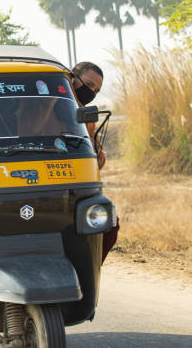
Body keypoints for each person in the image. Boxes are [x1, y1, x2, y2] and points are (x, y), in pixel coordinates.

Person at [71, 61, 118, 263]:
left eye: (96, 90)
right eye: (89, 85)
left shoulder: (88, 116)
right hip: (51, 179)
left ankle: (91, 268)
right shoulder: (50, 105)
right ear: (73, 77)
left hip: (78, 182)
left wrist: (98, 154)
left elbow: (98, 159)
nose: (91, 92)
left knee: (111, 222)